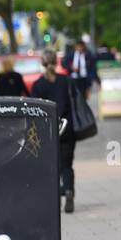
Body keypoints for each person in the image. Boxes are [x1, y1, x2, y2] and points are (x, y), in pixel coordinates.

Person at [28, 51, 78, 213]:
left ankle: (54, 198)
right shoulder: (66, 81)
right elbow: (74, 103)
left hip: (47, 130)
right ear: (56, 63)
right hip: (67, 128)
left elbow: (34, 110)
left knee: (51, 165)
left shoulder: (38, 85)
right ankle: (69, 191)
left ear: (42, 64)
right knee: (67, 165)